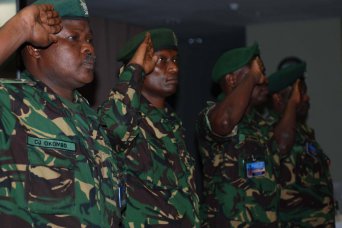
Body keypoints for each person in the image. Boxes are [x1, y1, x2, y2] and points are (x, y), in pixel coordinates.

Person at [0, 0, 120, 226]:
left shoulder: (92, 122)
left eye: (90, 40)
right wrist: (21, 26)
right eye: (74, 38)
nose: (89, 48)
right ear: (35, 48)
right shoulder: (11, 103)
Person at [98, 28, 200, 227]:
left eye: (175, 60)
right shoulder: (123, 116)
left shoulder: (171, 121)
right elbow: (114, 129)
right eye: (162, 60)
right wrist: (134, 70)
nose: (174, 69)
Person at [196, 43, 280, 227]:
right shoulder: (209, 115)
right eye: (257, 74)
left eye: (260, 74)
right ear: (232, 80)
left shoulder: (259, 124)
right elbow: (224, 122)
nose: (263, 80)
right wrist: (252, 77)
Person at [267, 58, 335, 227]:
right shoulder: (270, 131)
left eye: (303, 92)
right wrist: (293, 102)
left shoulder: (304, 132)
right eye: (299, 93)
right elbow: (282, 146)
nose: (305, 97)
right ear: (277, 99)